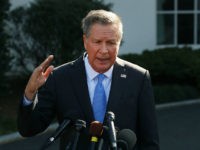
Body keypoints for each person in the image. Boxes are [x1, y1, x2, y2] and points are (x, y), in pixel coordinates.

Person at [18, 9, 160, 150]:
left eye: (111, 42)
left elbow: (150, 141)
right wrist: (29, 94)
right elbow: (28, 129)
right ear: (85, 41)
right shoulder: (60, 77)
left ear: (119, 43)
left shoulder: (138, 78)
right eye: (97, 42)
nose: (104, 50)